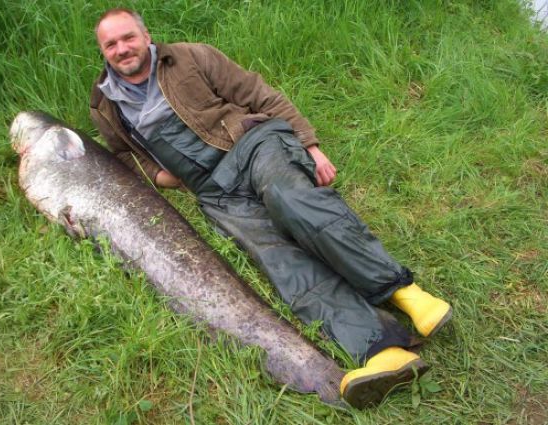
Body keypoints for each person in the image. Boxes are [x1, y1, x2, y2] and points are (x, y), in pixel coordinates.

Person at [89, 8, 452, 408]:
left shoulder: (191, 56)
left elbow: (259, 94)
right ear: (103, 51)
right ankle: (381, 348)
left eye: (128, 37)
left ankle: (405, 293)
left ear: (146, 36)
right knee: (281, 260)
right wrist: (159, 176)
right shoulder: (105, 105)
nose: (122, 49)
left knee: (292, 202)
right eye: (111, 44)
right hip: (215, 192)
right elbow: (123, 154)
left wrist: (310, 145)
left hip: (253, 146)